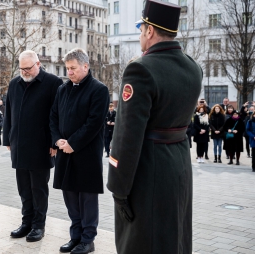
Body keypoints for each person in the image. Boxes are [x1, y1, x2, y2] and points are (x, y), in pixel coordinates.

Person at [106, 1, 203, 253]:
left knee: (143, 240)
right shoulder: (193, 67)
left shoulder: (140, 69)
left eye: (141, 28)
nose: (140, 34)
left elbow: (127, 135)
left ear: (149, 30)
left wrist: (118, 187)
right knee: (174, 236)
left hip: (147, 169)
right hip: (179, 164)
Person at [50, 48, 109, 254]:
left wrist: (72, 143)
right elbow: (53, 117)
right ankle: (75, 237)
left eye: (73, 68)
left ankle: (88, 239)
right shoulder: (63, 90)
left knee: (87, 199)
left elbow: (93, 123)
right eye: (67, 68)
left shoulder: (98, 90)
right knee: (71, 198)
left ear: (86, 66)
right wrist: (57, 139)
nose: (69, 72)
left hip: (86, 154)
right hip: (64, 152)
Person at [2, 50, 62, 243]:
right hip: (19, 144)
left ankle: (38, 226)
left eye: (28, 68)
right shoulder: (14, 84)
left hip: (42, 145)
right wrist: (7, 139)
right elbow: (8, 114)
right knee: (24, 188)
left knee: (39, 189)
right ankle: (26, 222)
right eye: (22, 68)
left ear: (38, 64)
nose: (25, 72)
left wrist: (55, 142)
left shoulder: (53, 83)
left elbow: (57, 116)